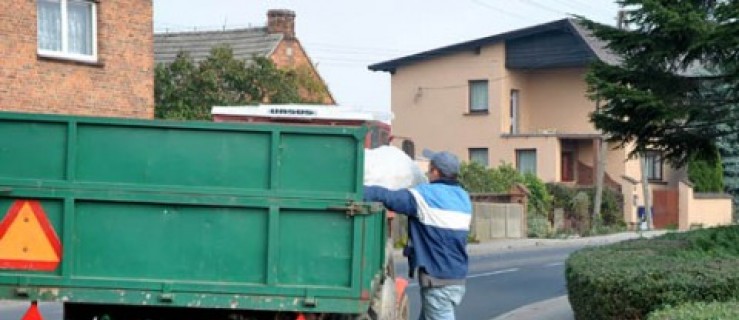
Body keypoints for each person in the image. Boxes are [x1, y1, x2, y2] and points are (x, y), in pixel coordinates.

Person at [364, 149, 472, 320]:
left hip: (438, 280)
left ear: (436, 172)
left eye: (429, 169)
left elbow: (388, 197)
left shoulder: (426, 196)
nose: (427, 173)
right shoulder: (463, 198)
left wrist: (356, 190)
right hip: (456, 278)